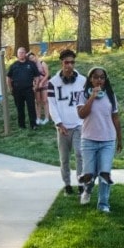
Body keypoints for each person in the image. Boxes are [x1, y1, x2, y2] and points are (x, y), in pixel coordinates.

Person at [77, 65, 120, 212]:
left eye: (102, 77)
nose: (99, 80)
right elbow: (82, 114)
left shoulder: (110, 95)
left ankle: (103, 204)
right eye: (96, 77)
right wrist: (92, 97)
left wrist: (119, 139)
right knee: (89, 173)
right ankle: (87, 191)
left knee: (104, 172)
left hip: (108, 139)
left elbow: (116, 117)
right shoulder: (83, 94)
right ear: (90, 79)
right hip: (89, 139)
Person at [47, 49, 87, 195]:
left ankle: (81, 183)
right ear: (61, 63)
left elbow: (87, 101)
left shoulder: (83, 80)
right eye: (66, 62)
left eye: (72, 62)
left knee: (80, 154)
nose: (69, 65)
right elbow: (52, 105)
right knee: (64, 158)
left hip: (79, 124)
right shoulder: (53, 83)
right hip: (63, 126)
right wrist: (58, 123)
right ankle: (67, 185)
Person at [6, 47, 38, 129]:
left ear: (25, 53)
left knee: (31, 107)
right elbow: (8, 78)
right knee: (20, 108)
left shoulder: (31, 64)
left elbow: (36, 76)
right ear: (17, 54)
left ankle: (33, 124)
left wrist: (36, 86)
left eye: (23, 52)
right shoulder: (13, 65)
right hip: (17, 90)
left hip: (29, 89)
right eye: (19, 53)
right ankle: (21, 125)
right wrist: (10, 88)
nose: (21, 54)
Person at [30, 50, 51, 126]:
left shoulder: (42, 63)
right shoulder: (31, 66)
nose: (32, 59)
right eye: (30, 59)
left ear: (35, 56)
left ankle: (46, 118)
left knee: (45, 100)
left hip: (44, 84)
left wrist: (42, 82)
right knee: (37, 101)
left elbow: (47, 74)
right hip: (36, 85)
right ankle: (38, 118)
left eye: (32, 57)